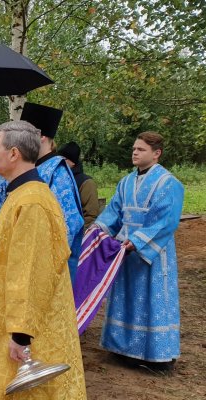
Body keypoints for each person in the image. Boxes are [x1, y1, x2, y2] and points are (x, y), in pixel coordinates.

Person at [0, 120, 86, 399]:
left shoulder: (32, 202)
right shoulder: (21, 195)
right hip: (12, 318)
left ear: (13, 154)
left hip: (27, 330)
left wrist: (21, 335)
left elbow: (30, 272)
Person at [0, 102, 84, 283]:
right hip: (16, 264)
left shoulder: (58, 173)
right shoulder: (28, 168)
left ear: (40, 137)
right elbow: (2, 197)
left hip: (41, 273)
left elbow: (64, 229)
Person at [94, 131, 184, 371]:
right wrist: (98, 231)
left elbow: (166, 221)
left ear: (156, 154)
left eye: (141, 149)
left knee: (151, 300)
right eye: (134, 148)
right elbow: (114, 213)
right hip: (125, 251)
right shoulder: (125, 182)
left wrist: (137, 241)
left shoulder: (169, 183)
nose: (135, 152)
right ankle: (124, 349)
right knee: (127, 298)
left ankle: (157, 356)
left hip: (152, 254)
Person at [58, 141, 100, 230]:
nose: (58, 162)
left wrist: (76, 236)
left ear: (73, 162)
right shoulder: (57, 180)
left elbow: (91, 216)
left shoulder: (86, 183)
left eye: (63, 159)